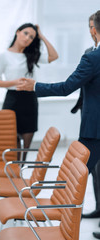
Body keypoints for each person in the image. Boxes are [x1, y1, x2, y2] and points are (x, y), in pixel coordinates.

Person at [15, 10, 100, 239]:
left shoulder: (93, 57)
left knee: (73, 178)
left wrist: (34, 86)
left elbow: (65, 88)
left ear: (93, 30)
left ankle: (63, 227)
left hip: (95, 130)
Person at [0, 23, 58, 160]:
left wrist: (42, 36)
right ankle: (10, 174)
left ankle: (19, 174)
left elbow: (54, 56)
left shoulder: (32, 55)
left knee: (24, 150)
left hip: (30, 100)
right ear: (18, 32)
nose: (28, 38)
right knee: (10, 144)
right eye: (26, 33)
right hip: (12, 99)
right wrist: (15, 82)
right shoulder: (3, 56)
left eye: (32, 37)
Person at [73, 14, 100, 220]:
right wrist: (79, 107)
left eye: (93, 26)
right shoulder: (89, 52)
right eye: (89, 26)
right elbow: (84, 87)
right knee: (95, 170)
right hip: (89, 117)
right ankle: (99, 207)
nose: (91, 30)